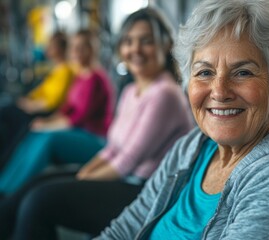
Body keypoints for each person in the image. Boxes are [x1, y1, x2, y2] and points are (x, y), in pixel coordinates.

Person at [95, 0, 269, 239]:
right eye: (205, 72)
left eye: (242, 72)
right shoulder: (192, 147)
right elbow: (126, 228)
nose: (219, 91)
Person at [0, 8, 194, 240]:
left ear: (165, 45)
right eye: (128, 41)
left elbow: (128, 161)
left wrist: (80, 180)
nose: (135, 49)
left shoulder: (165, 93)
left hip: (147, 193)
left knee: (40, 201)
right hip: (126, 179)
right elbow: (112, 149)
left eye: (147, 41)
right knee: (35, 185)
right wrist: (82, 174)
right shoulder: (132, 90)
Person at [0, 29, 114, 195]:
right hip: (77, 131)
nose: (77, 52)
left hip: (94, 138)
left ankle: (11, 191)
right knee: (33, 132)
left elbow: (77, 119)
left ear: (92, 49)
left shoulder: (96, 78)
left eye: (83, 47)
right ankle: (5, 183)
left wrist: (48, 126)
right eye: (75, 47)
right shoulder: (80, 77)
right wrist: (45, 123)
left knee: (49, 138)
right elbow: (66, 110)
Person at [0, 31, 74, 167]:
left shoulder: (65, 71)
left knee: (8, 116)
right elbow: (38, 93)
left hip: (44, 112)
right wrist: (26, 101)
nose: (47, 48)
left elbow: (52, 102)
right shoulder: (54, 70)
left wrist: (30, 106)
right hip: (33, 107)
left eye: (51, 46)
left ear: (59, 48)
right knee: (5, 111)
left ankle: (7, 161)